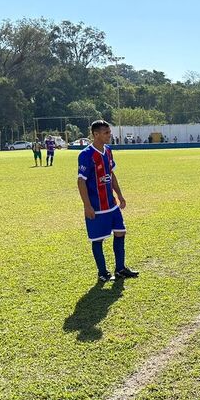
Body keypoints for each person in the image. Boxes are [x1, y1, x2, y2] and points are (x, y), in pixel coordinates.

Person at [77, 120, 139, 284]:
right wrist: (87, 205)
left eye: (109, 132)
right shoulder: (86, 155)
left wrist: (119, 195)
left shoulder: (108, 151)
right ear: (95, 134)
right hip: (97, 207)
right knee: (97, 240)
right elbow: (81, 181)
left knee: (120, 232)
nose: (109, 135)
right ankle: (103, 272)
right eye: (106, 133)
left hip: (111, 205)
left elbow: (111, 175)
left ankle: (120, 269)